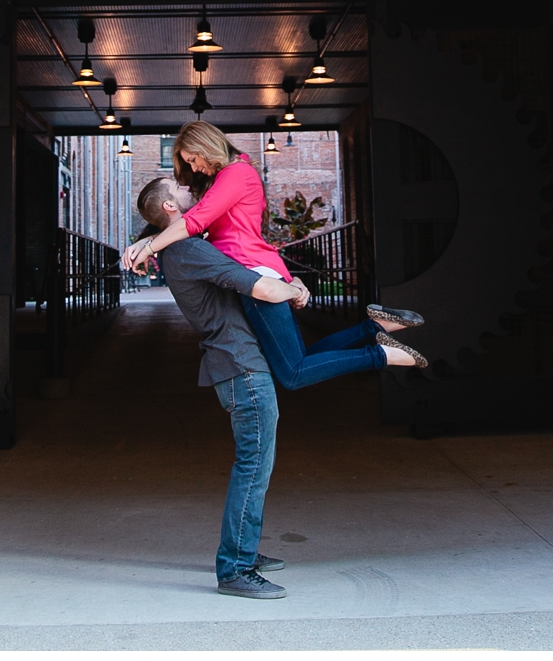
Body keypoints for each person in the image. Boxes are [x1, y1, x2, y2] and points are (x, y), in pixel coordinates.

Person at [122, 123, 430, 378]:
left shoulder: (235, 174)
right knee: (300, 358)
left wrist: (148, 246)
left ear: (205, 146)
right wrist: (144, 242)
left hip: (254, 276)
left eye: (192, 159)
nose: (194, 168)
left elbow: (194, 222)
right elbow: (208, 224)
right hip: (258, 271)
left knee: (293, 373)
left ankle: (381, 354)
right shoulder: (231, 175)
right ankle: (376, 326)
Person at [128, 202, 302, 599]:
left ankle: (244, 553)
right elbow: (259, 286)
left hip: (235, 364)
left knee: (255, 464)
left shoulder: (176, 246)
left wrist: (143, 245)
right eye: (182, 188)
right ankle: (235, 568)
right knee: (253, 466)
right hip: (242, 367)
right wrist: (295, 289)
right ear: (171, 206)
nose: (193, 190)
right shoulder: (188, 248)